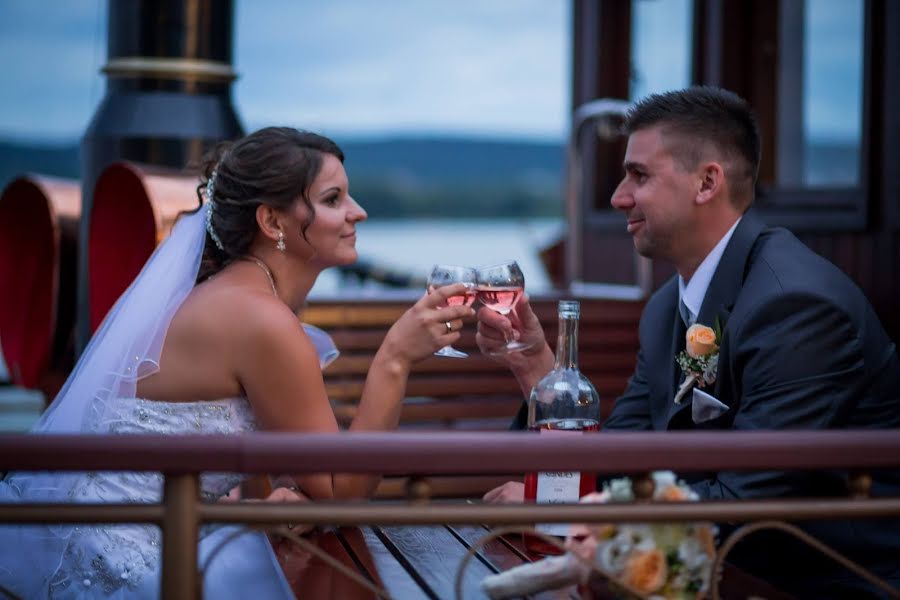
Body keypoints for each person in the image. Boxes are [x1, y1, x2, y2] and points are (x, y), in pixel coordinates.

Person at [0, 127, 475, 598]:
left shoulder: (240, 298)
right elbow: (342, 495)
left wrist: (298, 492)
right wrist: (395, 356)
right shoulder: (261, 321)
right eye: (333, 199)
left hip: (115, 533)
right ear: (272, 222)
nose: (358, 212)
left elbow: (312, 476)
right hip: (118, 564)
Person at [477, 87, 900, 596]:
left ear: (707, 182)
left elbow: (747, 503)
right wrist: (538, 373)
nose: (617, 197)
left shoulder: (796, 307)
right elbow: (619, 462)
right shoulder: (666, 309)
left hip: (827, 583)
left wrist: (560, 512)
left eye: (639, 175)